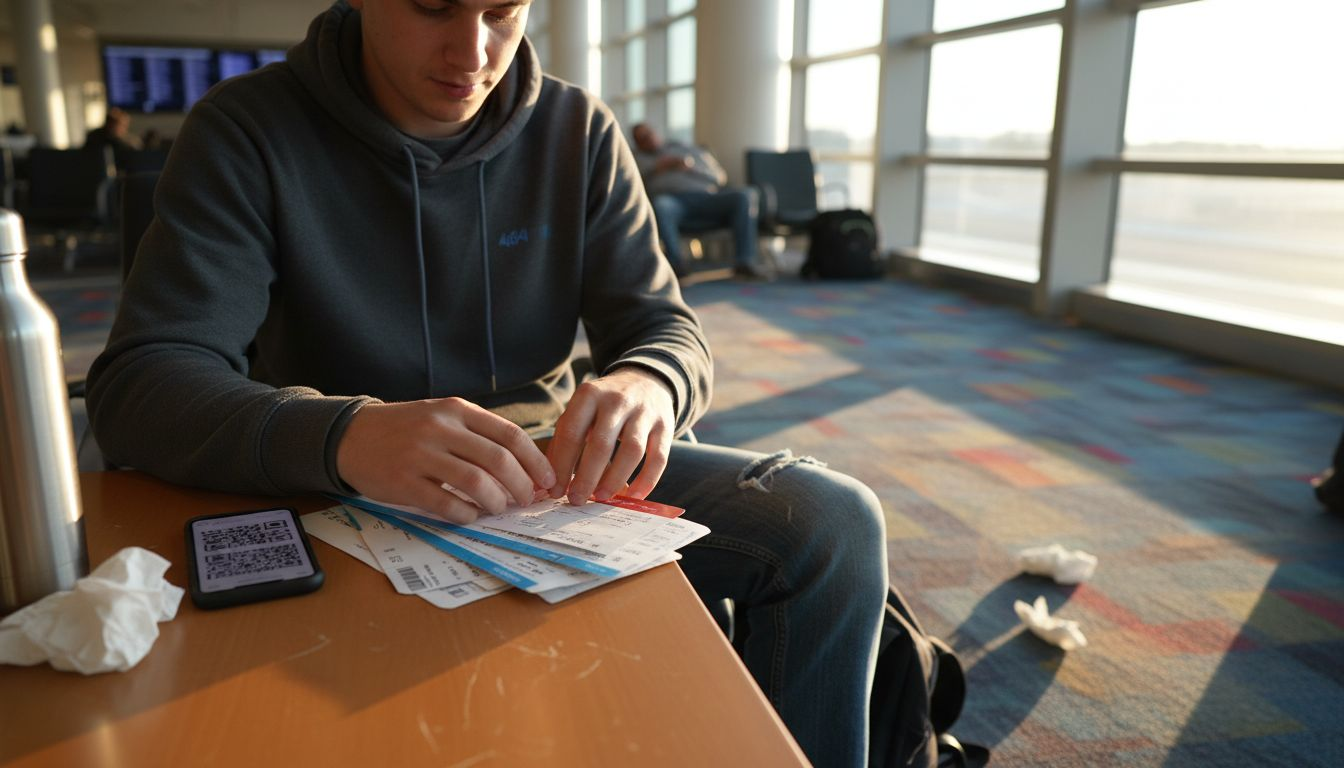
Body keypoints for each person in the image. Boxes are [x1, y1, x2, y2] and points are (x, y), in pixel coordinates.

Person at [85, 2, 888, 765]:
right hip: (330, 485)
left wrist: (649, 383)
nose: (474, 55)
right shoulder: (249, 130)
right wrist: (346, 433)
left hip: (547, 473)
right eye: (436, 8)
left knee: (831, 523)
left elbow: (665, 326)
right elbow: (141, 382)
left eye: (503, 12)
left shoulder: (576, 131)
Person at [631, 121, 768, 280]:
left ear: (656, 132)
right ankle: (677, 265)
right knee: (662, 205)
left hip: (708, 198)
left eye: (648, 134)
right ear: (637, 144)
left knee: (744, 195)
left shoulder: (688, 150)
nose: (648, 139)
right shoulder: (637, 159)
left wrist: (690, 167)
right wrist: (656, 168)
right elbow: (633, 187)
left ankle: (745, 262)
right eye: (641, 139)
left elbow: (719, 178)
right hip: (675, 203)